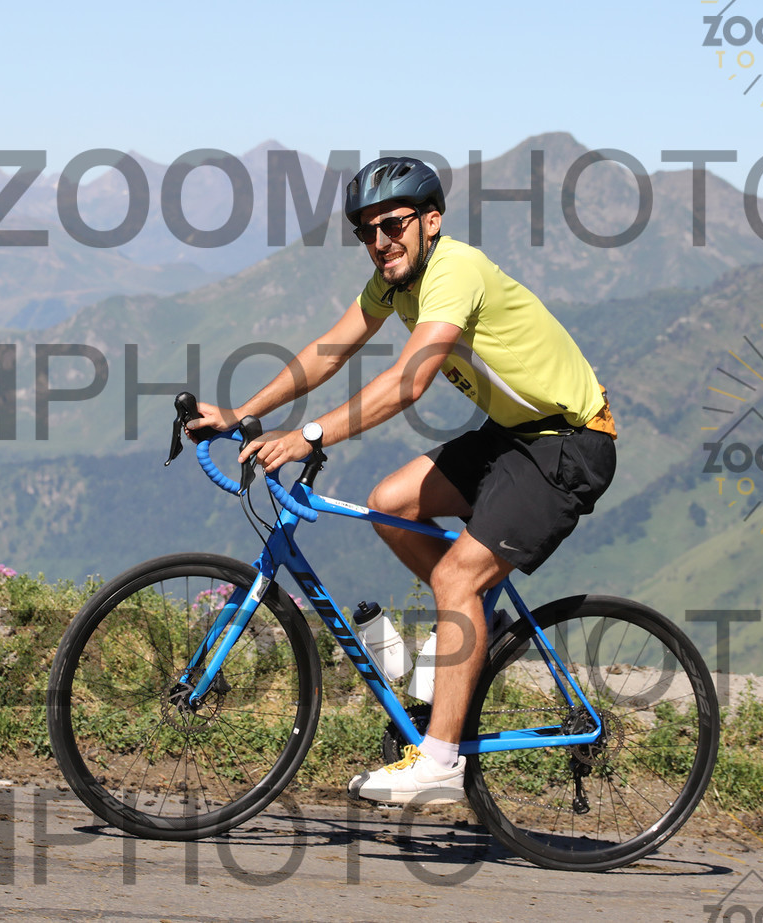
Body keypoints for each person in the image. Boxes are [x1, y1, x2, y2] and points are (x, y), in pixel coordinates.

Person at [184, 155, 616, 805]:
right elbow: (329, 350)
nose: (380, 241)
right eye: (366, 231)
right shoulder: (394, 284)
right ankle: (470, 626)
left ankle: (440, 764)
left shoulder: (455, 271)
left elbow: (409, 382)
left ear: (430, 221)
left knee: (457, 577)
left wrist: (309, 435)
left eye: (393, 225)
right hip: (514, 436)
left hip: (570, 443)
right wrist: (244, 413)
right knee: (390, 503)